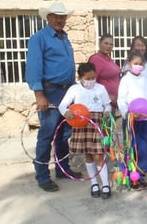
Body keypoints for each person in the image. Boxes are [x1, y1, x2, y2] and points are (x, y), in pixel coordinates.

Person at [26, 1, 81, 192]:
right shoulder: (38, 38)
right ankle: (42, 176)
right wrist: (39, 95)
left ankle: (62, 169)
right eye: (56, 16)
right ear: (48, 18)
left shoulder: (64, 38)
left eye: (62, 16)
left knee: (64, 134)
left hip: (67, 92)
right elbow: (34, 67)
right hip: (49, 92)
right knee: (47, 135)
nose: (60, 20)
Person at [58, 62, 112, 199]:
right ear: (81, 77)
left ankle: (105, 184)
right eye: (87, 79)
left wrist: (106, 111)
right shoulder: (74, 89)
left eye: (93, 78)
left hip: (96, 123)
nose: (91, 81)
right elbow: (62, 105)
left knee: (99, 154)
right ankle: (94, 183)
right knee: (88, 154)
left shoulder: (100, 88)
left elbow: (107, 105)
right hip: (81, 123)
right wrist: (66, 112)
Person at [117, 52, 147, 191]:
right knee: (131, 145)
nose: (138, 66)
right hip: (131, 118)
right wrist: (127, 113)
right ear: (129, 64)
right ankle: (130, 175)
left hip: (144, 117)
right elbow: (121, 99)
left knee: (142, 145)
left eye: (140, 64)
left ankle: (141, 174)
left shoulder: (145, 78)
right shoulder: (126, 79)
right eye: (135, 63)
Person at [88, 33, 121, 110]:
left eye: (111, 44)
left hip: (113, 103)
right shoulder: (96, 59)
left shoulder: (109, 59)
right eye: (106, 43)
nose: (109, 46)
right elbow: (91, 82)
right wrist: (107, 96)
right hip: (103, 103)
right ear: (99, 43)